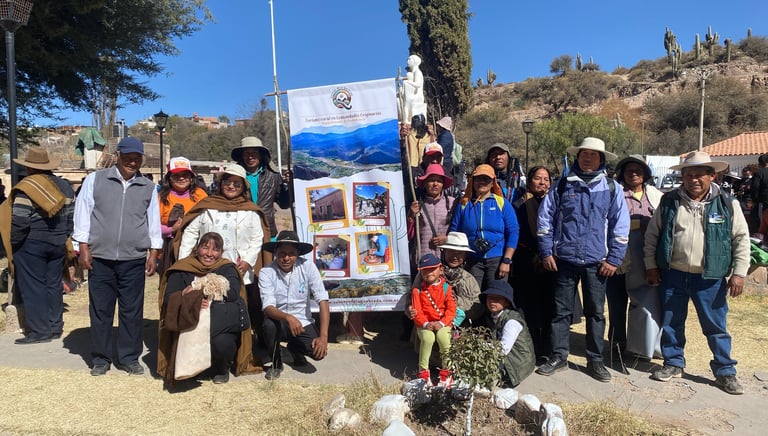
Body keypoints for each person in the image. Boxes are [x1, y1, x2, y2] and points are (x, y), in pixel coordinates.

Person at [644, 151, 750, 395]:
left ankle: (725, 370)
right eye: (688, 174)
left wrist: (739, 273)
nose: (693, 179)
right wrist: (651, 265)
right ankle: (673, 363)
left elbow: (741, 240)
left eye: (699, 174)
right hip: (673, 274)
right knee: (671, 322)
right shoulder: (669, 201)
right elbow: (652, 236)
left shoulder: (727, 203)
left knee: (715, 326)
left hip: (710, 277)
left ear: (712, 176)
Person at [536, 137, 629, 382]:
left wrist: (614, 259)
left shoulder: (611, 188)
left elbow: (621, 226)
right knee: (561, 312)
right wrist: (546, 251)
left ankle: (595, 360)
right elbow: (545, 218)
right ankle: (559, 356)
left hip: (598, 262)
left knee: (596, 313)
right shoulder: (563, 185)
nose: (587, 158)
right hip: (564, 259)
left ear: (601, 159)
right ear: (577, 157)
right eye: (584, 154)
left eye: (593, 155)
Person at [73, 137, 162, 376]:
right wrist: (82, 247)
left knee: (131, 310)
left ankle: (128, 357)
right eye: (128, 157)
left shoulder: (148, 187)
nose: (132, 162)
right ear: (118, 155)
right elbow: (82, 213)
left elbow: (153, 222)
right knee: (101, 309)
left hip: (133, 259)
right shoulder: (95, 180)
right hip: (100, 257)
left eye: (137, 158)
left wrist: (153, 252)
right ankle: (101, 358)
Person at [176, 164, 270, 335]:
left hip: (237, 270)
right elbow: (190, 232)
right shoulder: (207, 206)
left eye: (237, 183)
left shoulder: (250, 211)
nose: (231, 186)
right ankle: (210, 348)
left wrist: (248, 261)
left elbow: (258, 238)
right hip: (207, 268)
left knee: (235, 309)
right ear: (220, 183)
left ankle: (237, 350)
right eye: (227, 182)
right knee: (208, 309)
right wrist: (184, 263)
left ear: (243, 187)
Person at [157, 232, 255, 384]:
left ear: (221, 252)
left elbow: (233, 293)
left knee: (223, 343)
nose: (209, 254)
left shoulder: (227, 268)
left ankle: (221, 369)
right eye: (205, 248)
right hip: (187, 325)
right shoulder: (182, 268)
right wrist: (192, 302)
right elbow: (169, 298)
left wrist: (201, 287)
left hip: (219, 325)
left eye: (215, 249)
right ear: (197, 249)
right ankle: (190, 368)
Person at [1, 148, 75, 344]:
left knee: (33, 287)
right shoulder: (65, 186)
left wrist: (15, 244)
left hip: (31, 243)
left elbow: (20, 220)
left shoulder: (28, 186)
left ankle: (39, 331)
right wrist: (63, 237)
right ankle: (54, 327)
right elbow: (70, 219)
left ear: (29, 167)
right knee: (53, 285)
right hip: (58, 243)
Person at [606, 155, 663, 360]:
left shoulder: (656, 195)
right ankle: (617, 343)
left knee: (645, 303)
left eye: (638, 170)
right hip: (618, 256)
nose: (633, 173)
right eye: (628, 170)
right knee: (616, 301)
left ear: (646, 174)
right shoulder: (614, 194)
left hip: (646, 258)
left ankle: (641, 346)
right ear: (622, 174)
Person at [259, 230, 330, 380]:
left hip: (303, 321)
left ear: (297, 254)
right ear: (275, 252)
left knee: (318, 353)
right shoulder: (266, 272)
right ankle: (276, 363)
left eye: (291, 253)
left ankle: (295, 348)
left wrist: (323, 336)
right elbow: (268, 307)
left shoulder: (308, 267)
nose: (286, 258)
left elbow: (322, 300)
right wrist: (288, 317)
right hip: (279, 320)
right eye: (282, 253)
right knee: (269, 326)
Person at [449, 164, 519, 290]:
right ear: (472, 181)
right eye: (478, 178)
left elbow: (513, 231)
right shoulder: (464, 204)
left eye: (486, 179)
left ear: (493, 182)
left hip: (497, 259)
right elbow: (455, 231)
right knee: (472, 296)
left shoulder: (501, 203)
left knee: (496, 296)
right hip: (472, 259)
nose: (482, 182)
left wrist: (507, 260)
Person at [511, 165, 554, 362]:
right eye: (538, 178)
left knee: (547, 306)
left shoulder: (554, 205)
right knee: (527, 306)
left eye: (546, 179)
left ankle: (546, 348)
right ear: (529, 182)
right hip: (525, 260)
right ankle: (528, 347)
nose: (542, 182)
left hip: (549, 261)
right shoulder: (519, 205)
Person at [230, 136, 291, 238]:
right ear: (242, 155)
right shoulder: (234, 175)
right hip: (240, 231)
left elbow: (284, 204)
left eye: (254, 153)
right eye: (247, 153)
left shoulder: (273, 176)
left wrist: (290, 186)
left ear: (261, 155)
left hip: (267, 230)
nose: (250, 157)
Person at [479, 279, 535, 388]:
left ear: (507, 302)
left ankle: (508, 378)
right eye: (490, 298)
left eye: (497, 299)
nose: (492, 302)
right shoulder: (492, 316)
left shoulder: (512, 322)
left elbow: (503, 349)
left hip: (518, 362)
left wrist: (479, 346)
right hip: (510, 356)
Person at [411, 253, 456, 388]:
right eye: (425, 270)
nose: (428, 272)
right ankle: (423, 372)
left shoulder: (446, 288)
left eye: (432, 269)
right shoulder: (417, 291)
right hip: (424, 324)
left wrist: (441, 323)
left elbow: (451, 309)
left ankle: (447, 372)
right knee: (428, 338)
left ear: (440, 269)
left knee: (444, 337)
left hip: (443, 323)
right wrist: (425, 323)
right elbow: (417, 311)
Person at [157, 156, 207, 274]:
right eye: (176, 175)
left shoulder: (200, 195)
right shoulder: (162, 197)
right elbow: (152, 226)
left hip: (196, 249)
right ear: (169, 178)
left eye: (185, 175)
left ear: (191, 177)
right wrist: (171, 229)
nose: (181, 178)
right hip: (168, 250)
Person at [408, 163, 455, 264]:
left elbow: (461, 231)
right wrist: (411, 216)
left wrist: (448, 239)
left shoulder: (452, 203)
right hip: (422, 259)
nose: (435, 184)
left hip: (445, 259)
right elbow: (407, 235)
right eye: (431, 180)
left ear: (443, 184)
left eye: (439, 181)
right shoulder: (416, 205)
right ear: (425, 183)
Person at [749, 154, 768, 234]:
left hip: (763, 202)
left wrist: (754, 200)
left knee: (762, 223)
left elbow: (755, 187)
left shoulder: (759, 173)